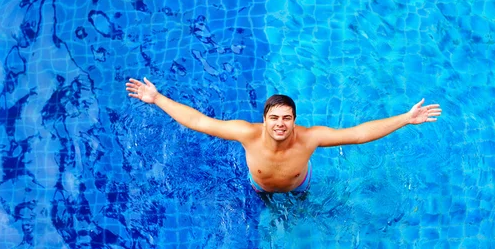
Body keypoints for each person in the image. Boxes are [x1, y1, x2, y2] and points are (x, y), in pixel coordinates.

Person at [125, 77, 442, 193]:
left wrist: (405, 118)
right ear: (263, 120)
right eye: (274, 118)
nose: (280, 123)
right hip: (258, 186)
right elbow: (198, 121)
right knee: (262, 199)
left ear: (294, 121)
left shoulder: (310, 138)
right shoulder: (246, 133)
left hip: (299, 185)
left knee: (302, 204)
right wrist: (157, 98)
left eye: (286, 118)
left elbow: (358, 134)